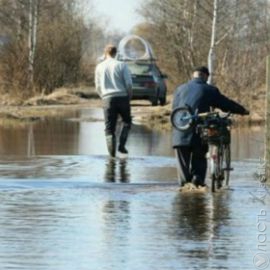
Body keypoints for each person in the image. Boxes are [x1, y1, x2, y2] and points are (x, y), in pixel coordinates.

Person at [172, 66, 249, 187]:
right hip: (200, 132)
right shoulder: (209, 89)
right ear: (205, 76)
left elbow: (174, 110)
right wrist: (242, 110)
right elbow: (225, 104)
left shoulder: (179, 89)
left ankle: (184, 188)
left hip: (180, 131)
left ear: (194, 75)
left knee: (182, 166)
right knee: (199, 157)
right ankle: (197, 182)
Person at [95, 45, 133, 157]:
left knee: (109, 128)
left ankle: (112, 156)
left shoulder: (99, 67)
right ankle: (121, 146)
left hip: (107, 98)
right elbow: (129, 84)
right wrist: (129, 96)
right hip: (122, 97)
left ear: (105, 53)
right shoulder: (122, 65)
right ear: (116, 53)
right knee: (127, 122)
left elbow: (97, 86)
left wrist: (103, 96)